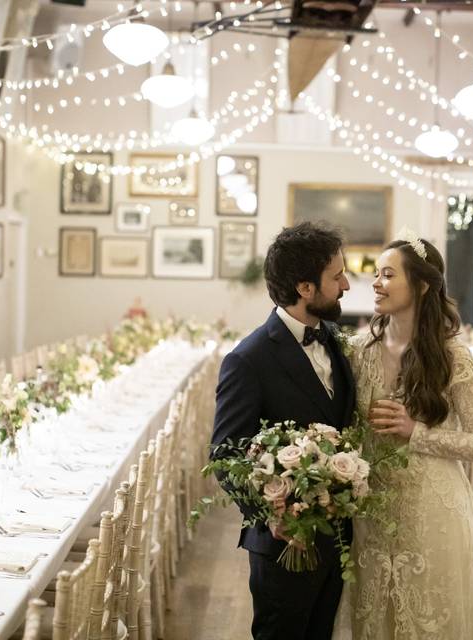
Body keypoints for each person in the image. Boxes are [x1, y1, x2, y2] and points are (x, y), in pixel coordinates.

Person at [211, 221, 356, 640]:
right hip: (281, 546)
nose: (346, 284)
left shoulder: (332, 339)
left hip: (336, 540)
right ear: (305, 287)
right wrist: (273, 514)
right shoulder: (248, 360)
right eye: (336, 276)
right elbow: (225, 456)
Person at [345, 234, 473, 640]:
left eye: (388, 274)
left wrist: (417, 432)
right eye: (375, 273)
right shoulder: (358, 351)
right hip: (372, 514)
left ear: (423, 285)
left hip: (433, 513)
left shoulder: (452, 357)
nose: (375, 282)